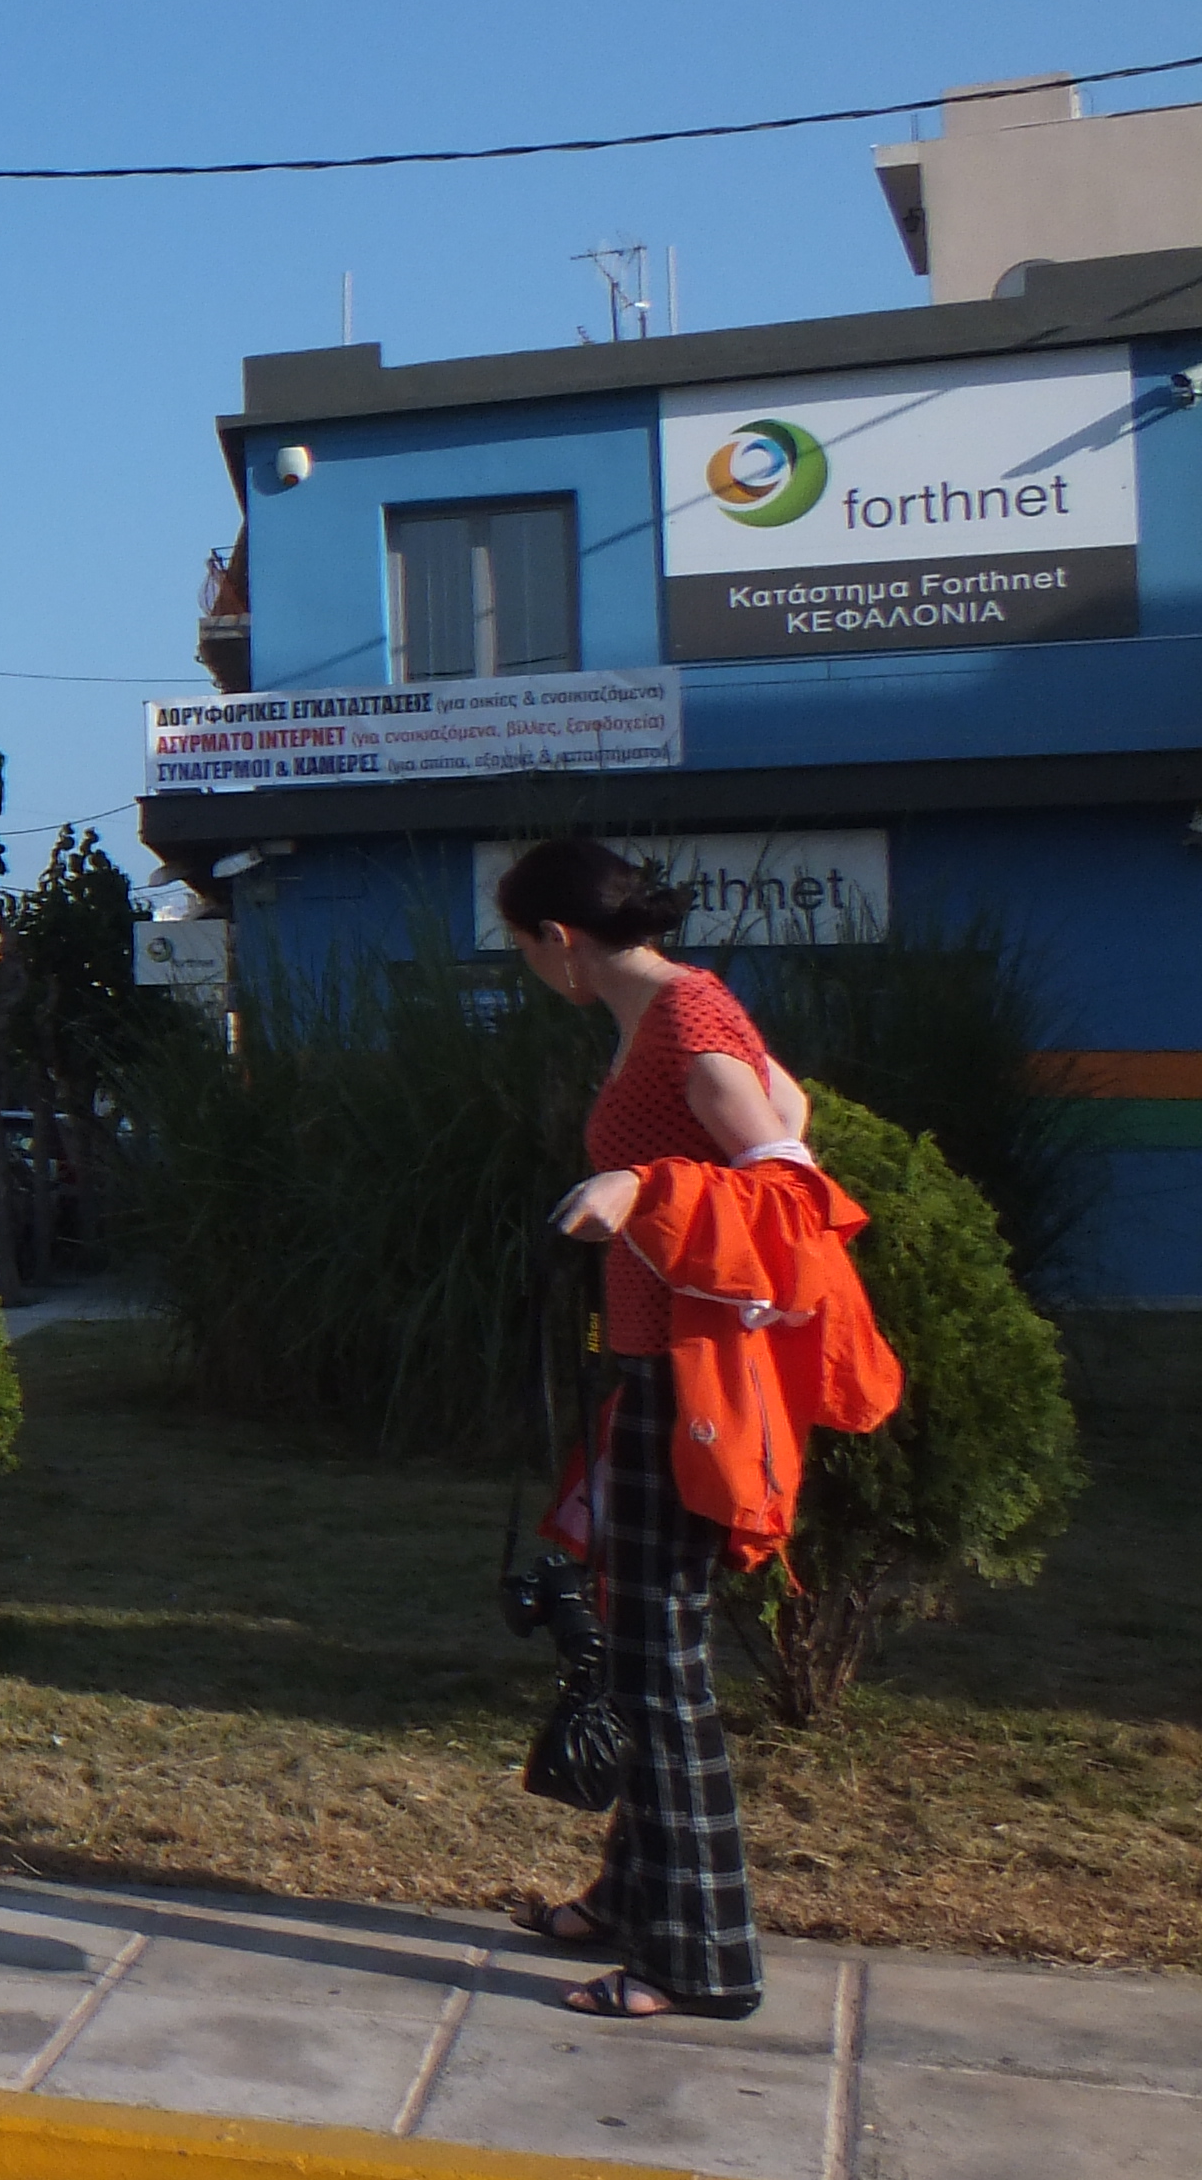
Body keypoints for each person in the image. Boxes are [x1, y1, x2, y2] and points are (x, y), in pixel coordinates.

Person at [502, 837, 803, 2023]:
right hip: (656, 1364)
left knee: (662, 1669)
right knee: (639, 1647)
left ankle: (703, 1962)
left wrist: (644, 1190)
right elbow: (787, 1104)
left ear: (559, 939)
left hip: (692, 1380)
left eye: (524, 949)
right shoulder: (671, 1018)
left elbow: (792, 1188)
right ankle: (632, 1900)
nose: (531, 970)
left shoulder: (686, 1020)